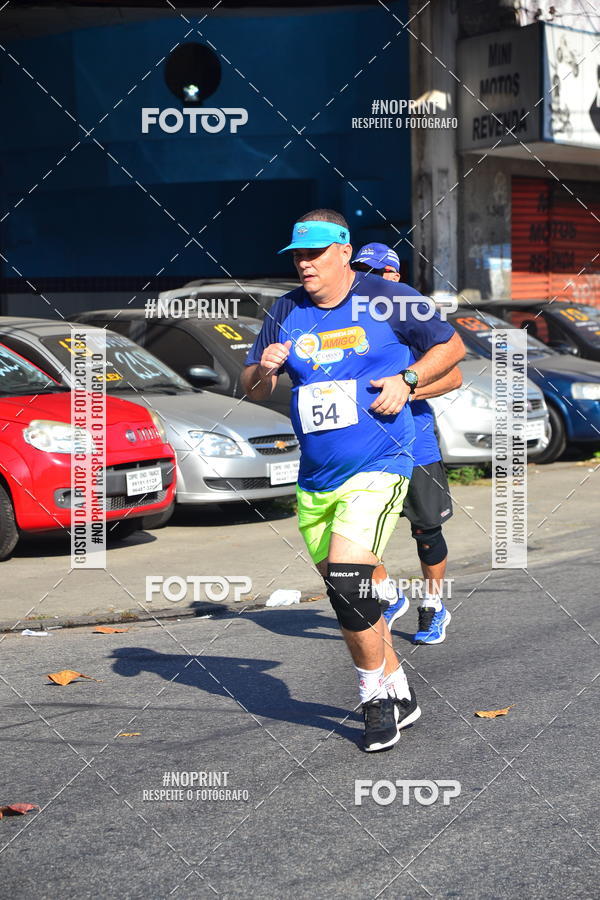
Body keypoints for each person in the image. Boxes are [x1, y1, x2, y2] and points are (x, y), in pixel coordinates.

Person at [241, 210, 465, 752]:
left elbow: (453, 349)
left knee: (348, 580)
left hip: (381, 464)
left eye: (314, 253)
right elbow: (249, 389)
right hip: (316, 478)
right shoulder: (284, 310)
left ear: (343, 251)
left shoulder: (388, 298)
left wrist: (408, 380)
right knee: (356, 597)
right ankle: (401, 693)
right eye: (297, 255)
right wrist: (262, 369)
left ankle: (372, 699)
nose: (304, 264)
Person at [352, 243, 459, 644]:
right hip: (364, 445)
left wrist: (407, 389)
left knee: (426, 532)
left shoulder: (410, 317)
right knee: (358, 534)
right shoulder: (346, 318)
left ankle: (433, 607)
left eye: (378, 271)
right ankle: (388, 596)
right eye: (361, 269)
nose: (369, 278)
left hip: (415, 445)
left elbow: (453, 377)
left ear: (396, 277)